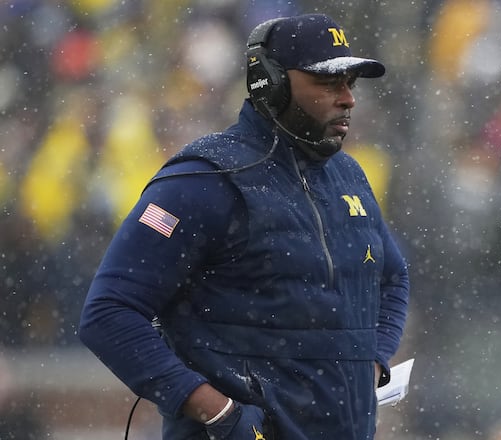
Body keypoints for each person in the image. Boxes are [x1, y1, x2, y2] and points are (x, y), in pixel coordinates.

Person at [79, 13, 409, 440]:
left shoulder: (349, 175)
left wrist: (374, 362)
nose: (347, 98)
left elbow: (394, 277)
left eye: (350, 83)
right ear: (270, 83)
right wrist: (219, 413)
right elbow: (109, 313)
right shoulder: (202, 179)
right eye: (328, 82)